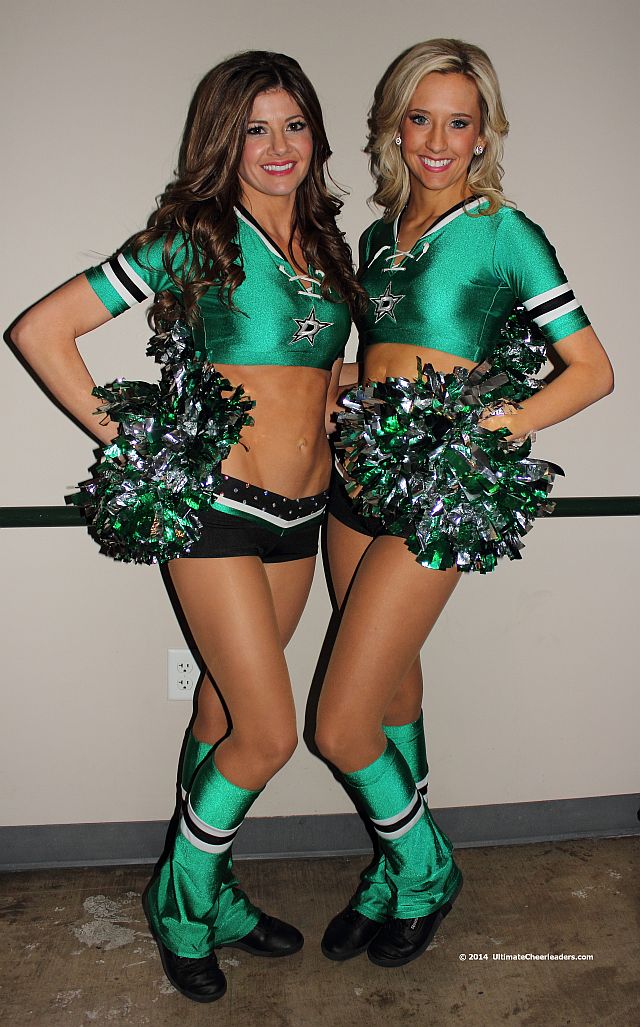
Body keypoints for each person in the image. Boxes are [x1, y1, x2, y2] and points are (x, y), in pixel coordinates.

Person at [11, 51, 365, 1002]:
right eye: (255, 129)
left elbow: (313, 373)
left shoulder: (329, 247)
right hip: (218, 510)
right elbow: (41, 330)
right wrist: (137, 445)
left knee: (220, 711)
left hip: (302, 514)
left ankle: (219, 895)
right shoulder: (195, 237)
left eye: (294, 124)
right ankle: (180, 900)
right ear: (223, 140)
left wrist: (361, 399)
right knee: (268, 734)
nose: (278, 146)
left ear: (315, 134)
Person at [316, 38, 613, 968]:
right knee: (391, 688)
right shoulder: (378, 238)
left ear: (484, 133)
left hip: (438, 491)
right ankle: (391, 873)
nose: (437, 141)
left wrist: (494, 425)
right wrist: (342, 384)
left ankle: (426, 868)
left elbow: (592, 370)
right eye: (420, 119)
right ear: (394, 127)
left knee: (338, 724)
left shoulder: (504, 232)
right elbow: (388, 349)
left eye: (458, 122)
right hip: (357, 481)